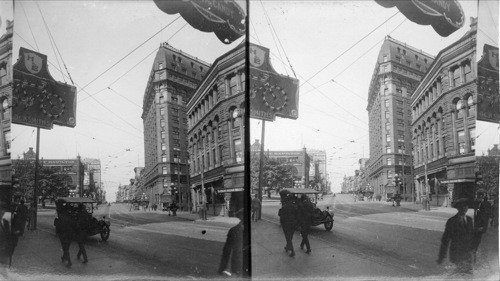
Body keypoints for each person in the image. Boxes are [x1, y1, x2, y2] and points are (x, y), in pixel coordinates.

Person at [437, 198, 475, 274]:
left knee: (468, 275)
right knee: (460, 274)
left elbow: (471, 236)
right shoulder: (451, 221)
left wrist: (474, 252)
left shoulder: (470, 220)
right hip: (457, 253)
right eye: (462, 206)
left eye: (466, 206)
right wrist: (442, 256)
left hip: (468, 254)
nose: (464, 208)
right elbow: (445, 240)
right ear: (458, 208)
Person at [218, 209, 247, 277]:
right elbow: (226, 251)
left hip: (238, 266)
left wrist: (222, 268)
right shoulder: (234, 230)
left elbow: (226, 252)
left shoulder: (234, 230)